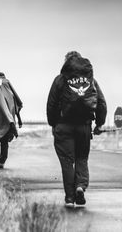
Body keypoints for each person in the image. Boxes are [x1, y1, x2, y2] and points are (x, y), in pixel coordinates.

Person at [47, 51, 107, 208]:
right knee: (81, 158)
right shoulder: (90, 80)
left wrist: (53, 124)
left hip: (63, 126)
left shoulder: (60, 79)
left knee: (67, 162)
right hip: (84, 126)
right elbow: (101, 103)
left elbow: (51, 104)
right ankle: (80, 186)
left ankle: (69, 198)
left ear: (66, 63)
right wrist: (99, 124)